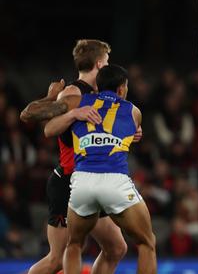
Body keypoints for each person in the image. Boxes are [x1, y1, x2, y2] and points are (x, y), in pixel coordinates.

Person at [20, 40, 131, 274]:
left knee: (116, 248)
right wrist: (73, 113)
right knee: (57, 260)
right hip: (69, 182)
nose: (109, 66)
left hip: (92, 180)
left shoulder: (100, 94)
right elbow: (49, 129)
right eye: (107, 62)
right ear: (100, 64)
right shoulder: (73, 92)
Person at [40, 64, 156, 274]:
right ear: (122, 89)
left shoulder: (78, 102)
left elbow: (49, 127)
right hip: (114, 180)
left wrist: (60, 104)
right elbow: (129, 130)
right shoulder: (133, 111)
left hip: (82, 181)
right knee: (147, 243)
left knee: (74, 245)